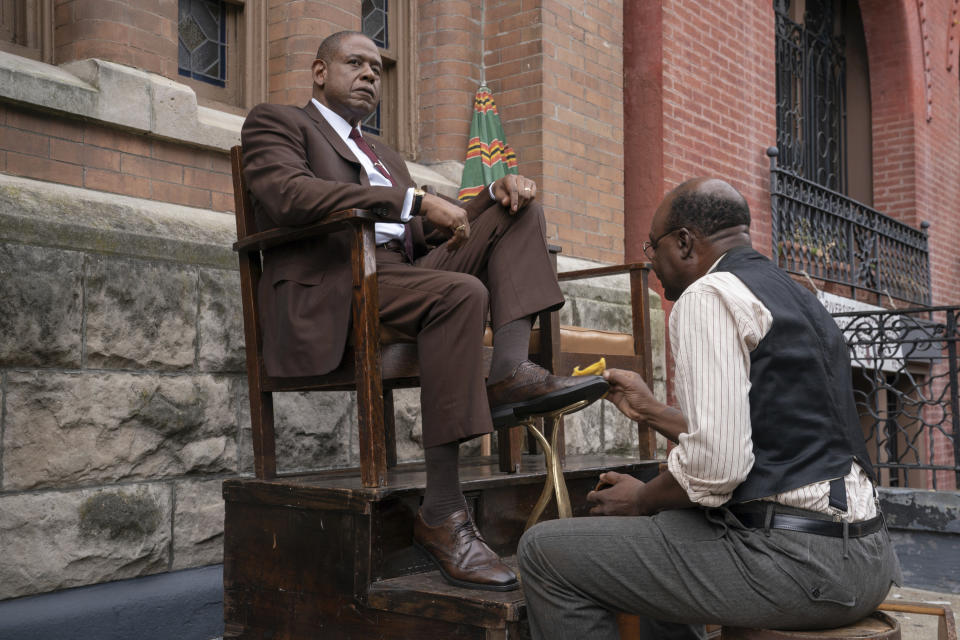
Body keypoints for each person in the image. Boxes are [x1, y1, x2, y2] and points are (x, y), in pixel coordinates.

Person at [240, 31, 607, 592]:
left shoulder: (384, 154)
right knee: (460, 293)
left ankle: (508, 371)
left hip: (398, 270)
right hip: (334, 282)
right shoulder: (278, 123)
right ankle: (442, 513)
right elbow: (290, 197)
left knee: (520, 209)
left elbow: (414, 234)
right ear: (319, 72)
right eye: (354, 63)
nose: (370, 73)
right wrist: (411, 201)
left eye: (376, 67)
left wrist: (486, 196)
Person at [517, 178, 901, 638]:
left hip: (806, 566)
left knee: (545, 552)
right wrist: (652, 411)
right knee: (670, 527)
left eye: (651, 247)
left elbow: (719, 468)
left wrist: (640, 498)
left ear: (683, 242)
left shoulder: (708, 295)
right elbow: (767, 440)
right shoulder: (795, 293)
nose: (649, 262)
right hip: (870, 557)